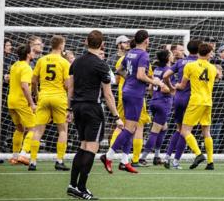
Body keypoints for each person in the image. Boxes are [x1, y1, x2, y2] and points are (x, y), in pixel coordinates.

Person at [66, 30, 122, 199]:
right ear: (102, 44)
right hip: (92, 108)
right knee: (91, 148)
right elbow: (108, 94)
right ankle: (82, 188)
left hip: (77, 107)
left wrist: (69, 110)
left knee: (83, 146)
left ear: (85, 42)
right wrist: (117, 117)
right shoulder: (101, 64)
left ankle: (73, 185)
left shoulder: (76, 62)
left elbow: (71, 88)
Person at [100, 30, 161, 174]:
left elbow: (119, 70)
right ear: (146, 40)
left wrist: (129, 78)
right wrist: (154, 81)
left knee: (130, 127)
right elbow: (141, 75)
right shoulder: (144, 55)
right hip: (135, 94)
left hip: (126, 91)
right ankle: (108, 156)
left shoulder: (130, 53)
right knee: (129, 128)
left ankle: (124, 161)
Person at [108, 39, 153, 168]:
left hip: (124, 93)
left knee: (120, 125)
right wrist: (155, 83)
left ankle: (121, 158)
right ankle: (135, 158)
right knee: (138, 127)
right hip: (136, 94)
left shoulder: (123, 58)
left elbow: (117, 78)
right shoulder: (143, 58)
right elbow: (147, 76)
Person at [29, 35, 71, 171]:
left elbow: (34, 80)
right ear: (60, 46)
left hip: (44, 96)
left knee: (38, 130)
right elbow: (67, 84)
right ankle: (59, 161)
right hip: (59, 98)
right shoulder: (64, 62)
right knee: (63, 130)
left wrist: (36, 93)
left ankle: (33, 161)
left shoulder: (41, 60)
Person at [162, 40, 201, 169]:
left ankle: (167, 157)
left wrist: (172, 88)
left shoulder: (180, 62)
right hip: (191, 99)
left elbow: (165, 75)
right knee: (186, 131)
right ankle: (176, 161)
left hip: (178, 98)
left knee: (179, 129)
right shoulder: (200, 63)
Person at [177, 43, 217, 170]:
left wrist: (173, 86)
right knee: (206, 132)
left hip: (196, 101)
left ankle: (198, 154)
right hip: (208, 101)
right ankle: (210, 162)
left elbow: (182, 85)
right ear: (208, 54)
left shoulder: (190, 66)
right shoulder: (213, 68)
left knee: (185, 130)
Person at [139, 50, 172, 166]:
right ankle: (142, 158)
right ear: (168, 58)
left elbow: (150, 87)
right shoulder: (168, 71)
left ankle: (157, 156)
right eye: (171, 55)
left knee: (163, 128)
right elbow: (165, 89)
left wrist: (155, 97)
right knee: (155, 131)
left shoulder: (157, 70)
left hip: (154, 101)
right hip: (163, 103)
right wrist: (172, 90)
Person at [7, 44, 36, 166]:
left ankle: (14, 157)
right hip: (21, 102)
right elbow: (24, 86)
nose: (34, 53)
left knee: (19, 129)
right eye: (32, 52)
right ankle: (23, 154)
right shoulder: (26, 68)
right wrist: (32, 103)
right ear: (28, 54)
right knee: (34, 128)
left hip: (11, 101)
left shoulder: (14, 65)